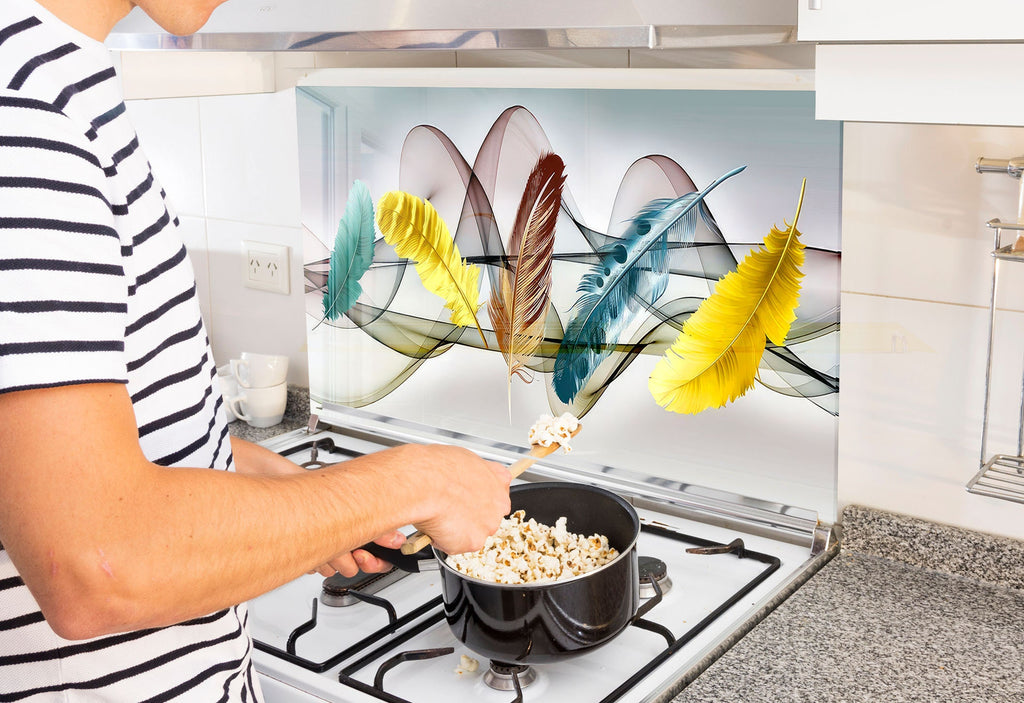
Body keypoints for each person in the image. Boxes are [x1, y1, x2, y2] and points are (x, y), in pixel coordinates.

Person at [0, 0, 513, 699]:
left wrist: (296, 497)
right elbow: (96, 563)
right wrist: (415, 480)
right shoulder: (24, 116)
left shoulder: (54, 79)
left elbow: (76, 454)